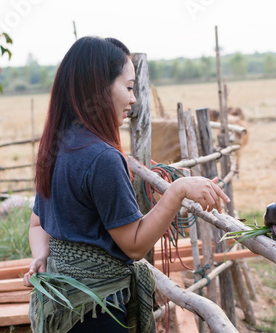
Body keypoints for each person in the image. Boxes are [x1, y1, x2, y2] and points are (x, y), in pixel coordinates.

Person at [22, 36, 230, 333]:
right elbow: (134, 245)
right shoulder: (102, 158)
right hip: (99, 312)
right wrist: (178, 190)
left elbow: (37, 223)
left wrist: (42, 255)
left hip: (61, 304)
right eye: (129, 87)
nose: (133, 99)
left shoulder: (58, 146)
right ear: (98, 87)